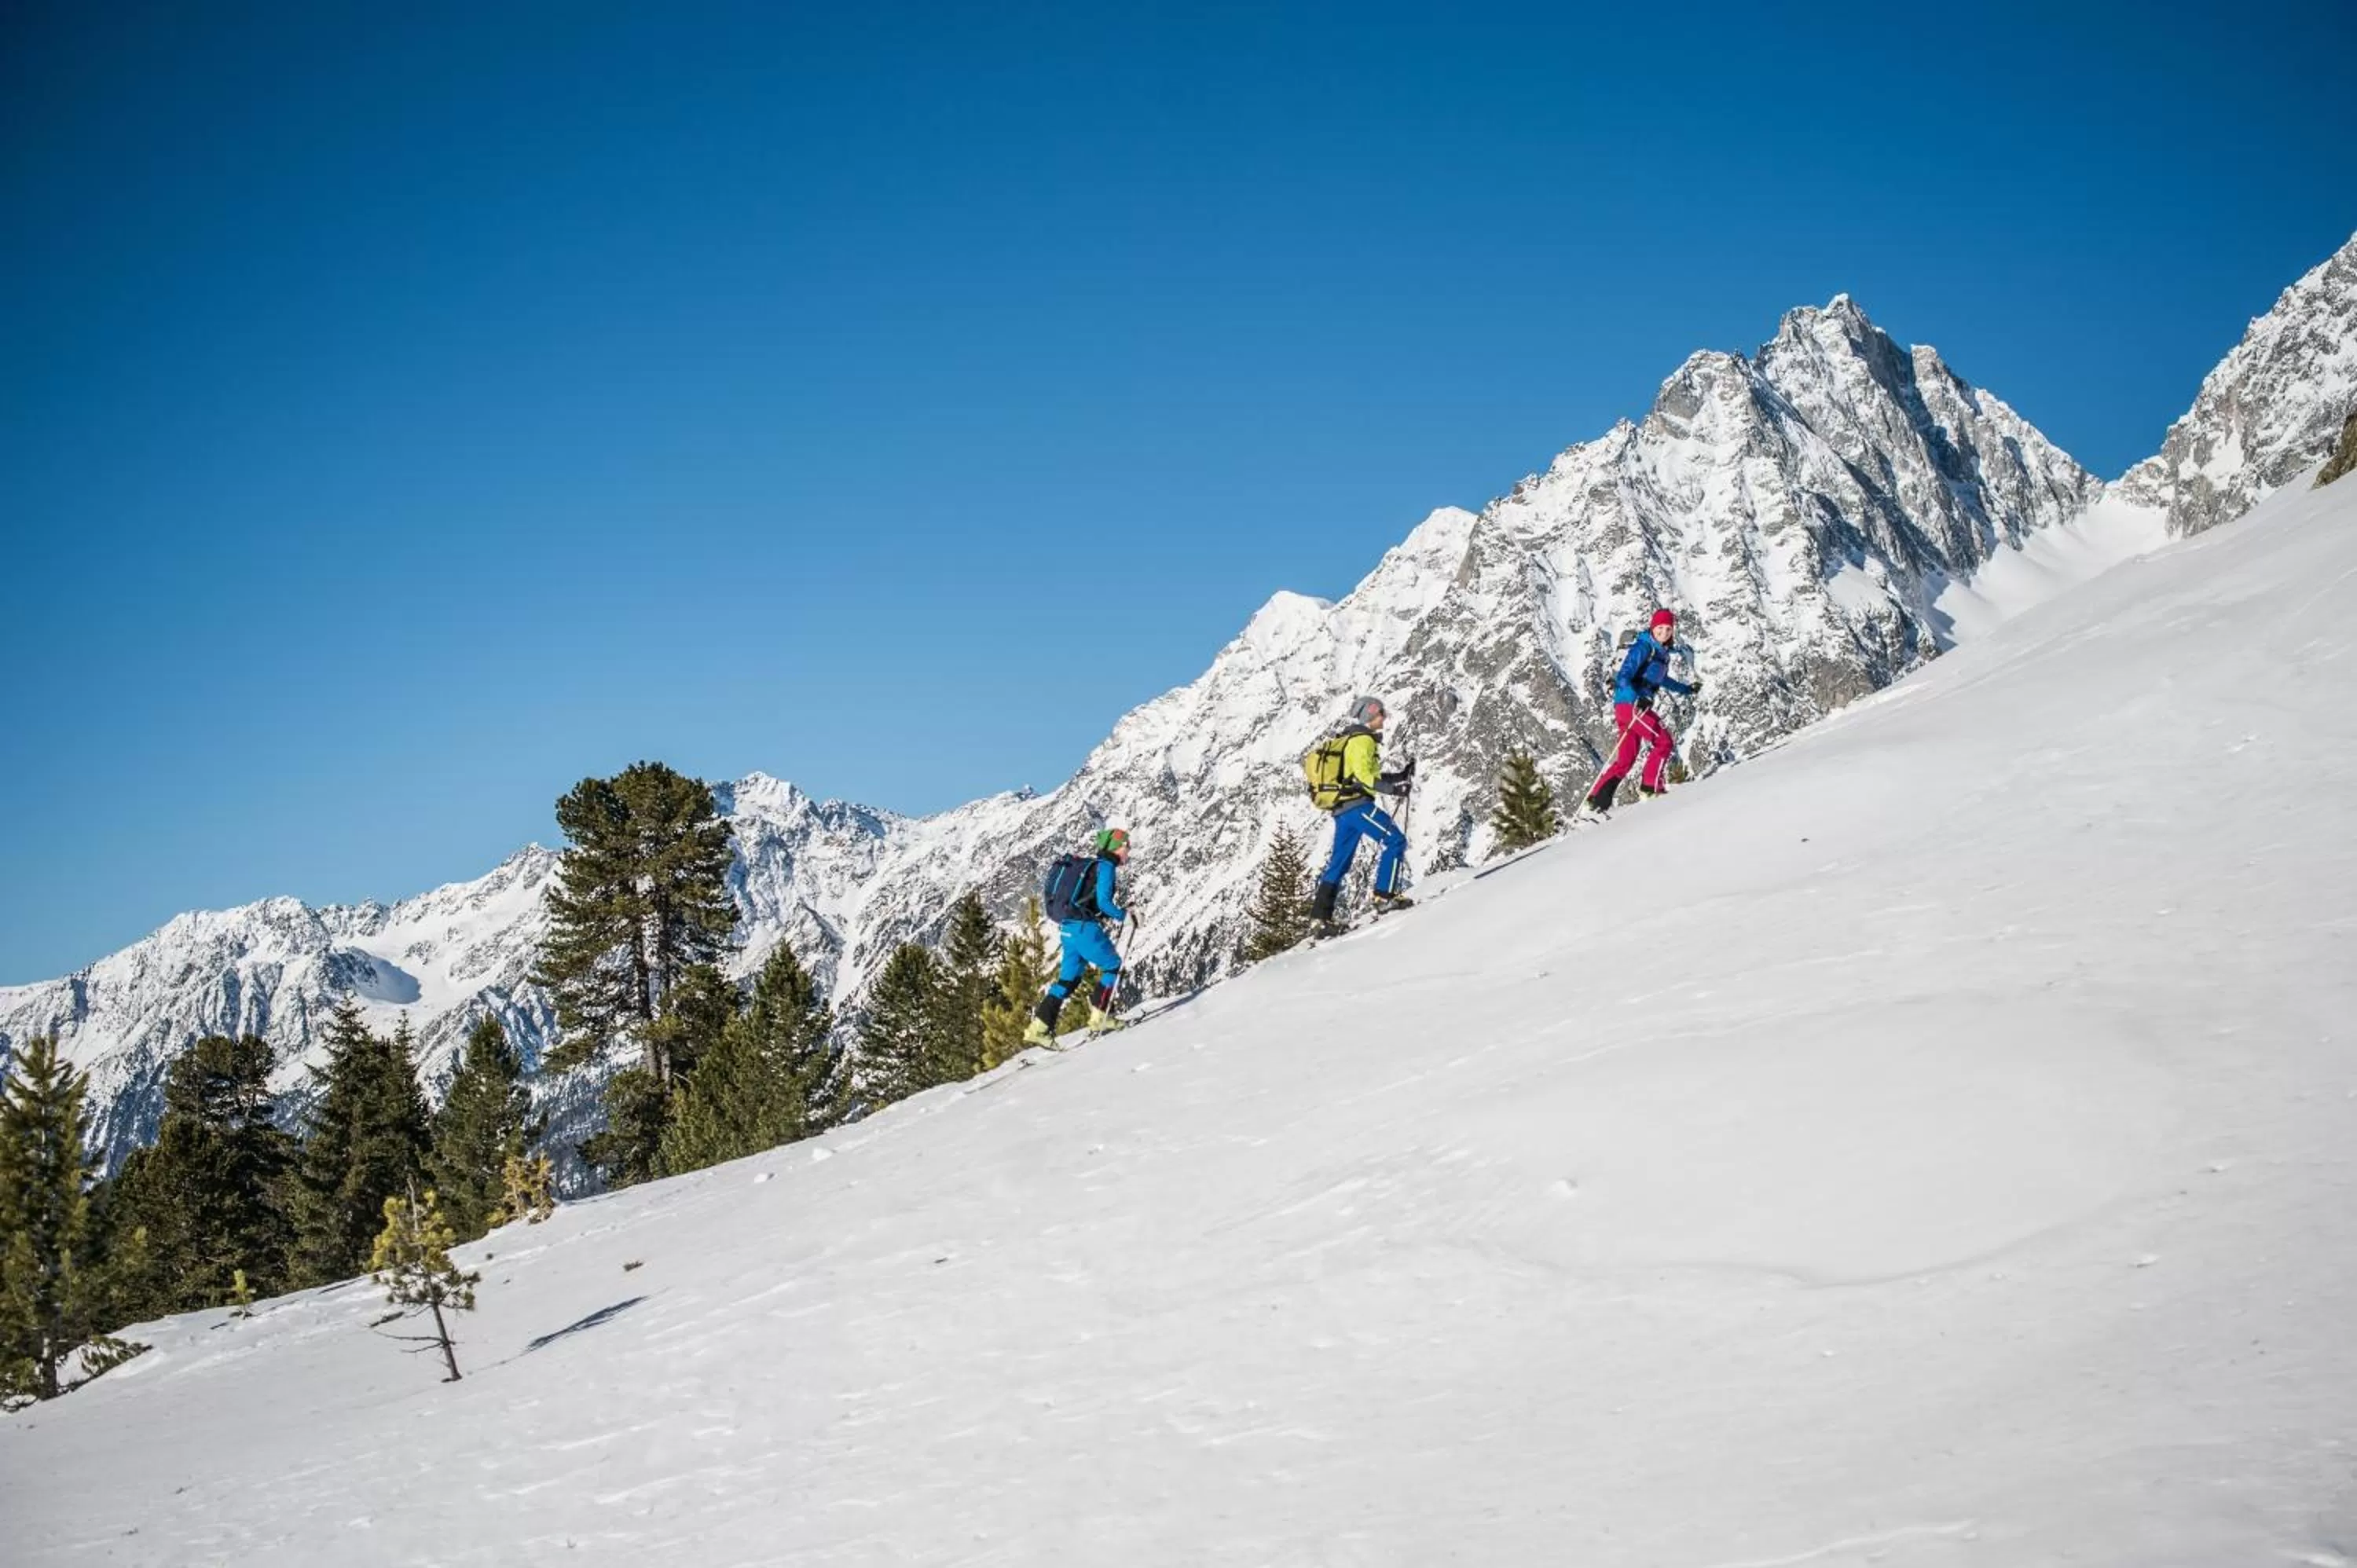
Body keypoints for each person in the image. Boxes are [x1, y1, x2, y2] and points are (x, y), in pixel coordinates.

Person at [1307, 696, 1416, 933]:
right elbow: (1364, 778)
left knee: (1339, 863)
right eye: (1381, 713)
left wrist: (1399, 777)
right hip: (1358, 806)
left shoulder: (1351, 740)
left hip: (1343, 809)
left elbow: (1364, 775)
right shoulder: (1363, 741)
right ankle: (1384, 897)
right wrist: (1394, 789)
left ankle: (1320, 919)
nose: (1384, 717)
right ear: (1371, 714)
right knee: (1395, 841)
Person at [1025, 827, 1134, 1045]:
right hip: (1085, 929)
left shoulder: (1092, 866)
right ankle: (1100, 1017)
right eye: (1126, 847)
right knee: (1113, 965)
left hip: (1067, 929)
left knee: (1068, 979)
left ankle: (1039, 1028)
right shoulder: (1106, 867)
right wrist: (1126, 917)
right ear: (1116, 848)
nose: (1128, 851)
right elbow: (1104, 903)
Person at [1585, 609, 1700, 811]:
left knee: (1626, 760)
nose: (1664, 633)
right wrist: (1638, 698)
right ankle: (1651, 787)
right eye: (1660, 628)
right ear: (1652, 628)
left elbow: (1662, 680)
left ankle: (1595, 801)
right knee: (1663, 741)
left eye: (1668, 629)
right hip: (1632, 706)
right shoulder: (1644, 647)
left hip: (1627, 707)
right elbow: (1624, 676)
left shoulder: (1660, 653)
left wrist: (1687, 689)